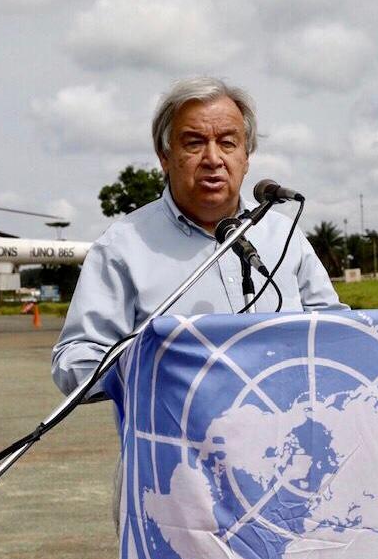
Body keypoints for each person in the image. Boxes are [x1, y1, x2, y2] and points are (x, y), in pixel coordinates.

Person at [51, 76, 343, 397]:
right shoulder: (122, 246)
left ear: (246, 157)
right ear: (164, 157)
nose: (213, 159)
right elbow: (74, 361)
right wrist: (152, 366)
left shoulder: (284, 235)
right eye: (194, 143)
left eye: (228, 143)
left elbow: (339, 333)